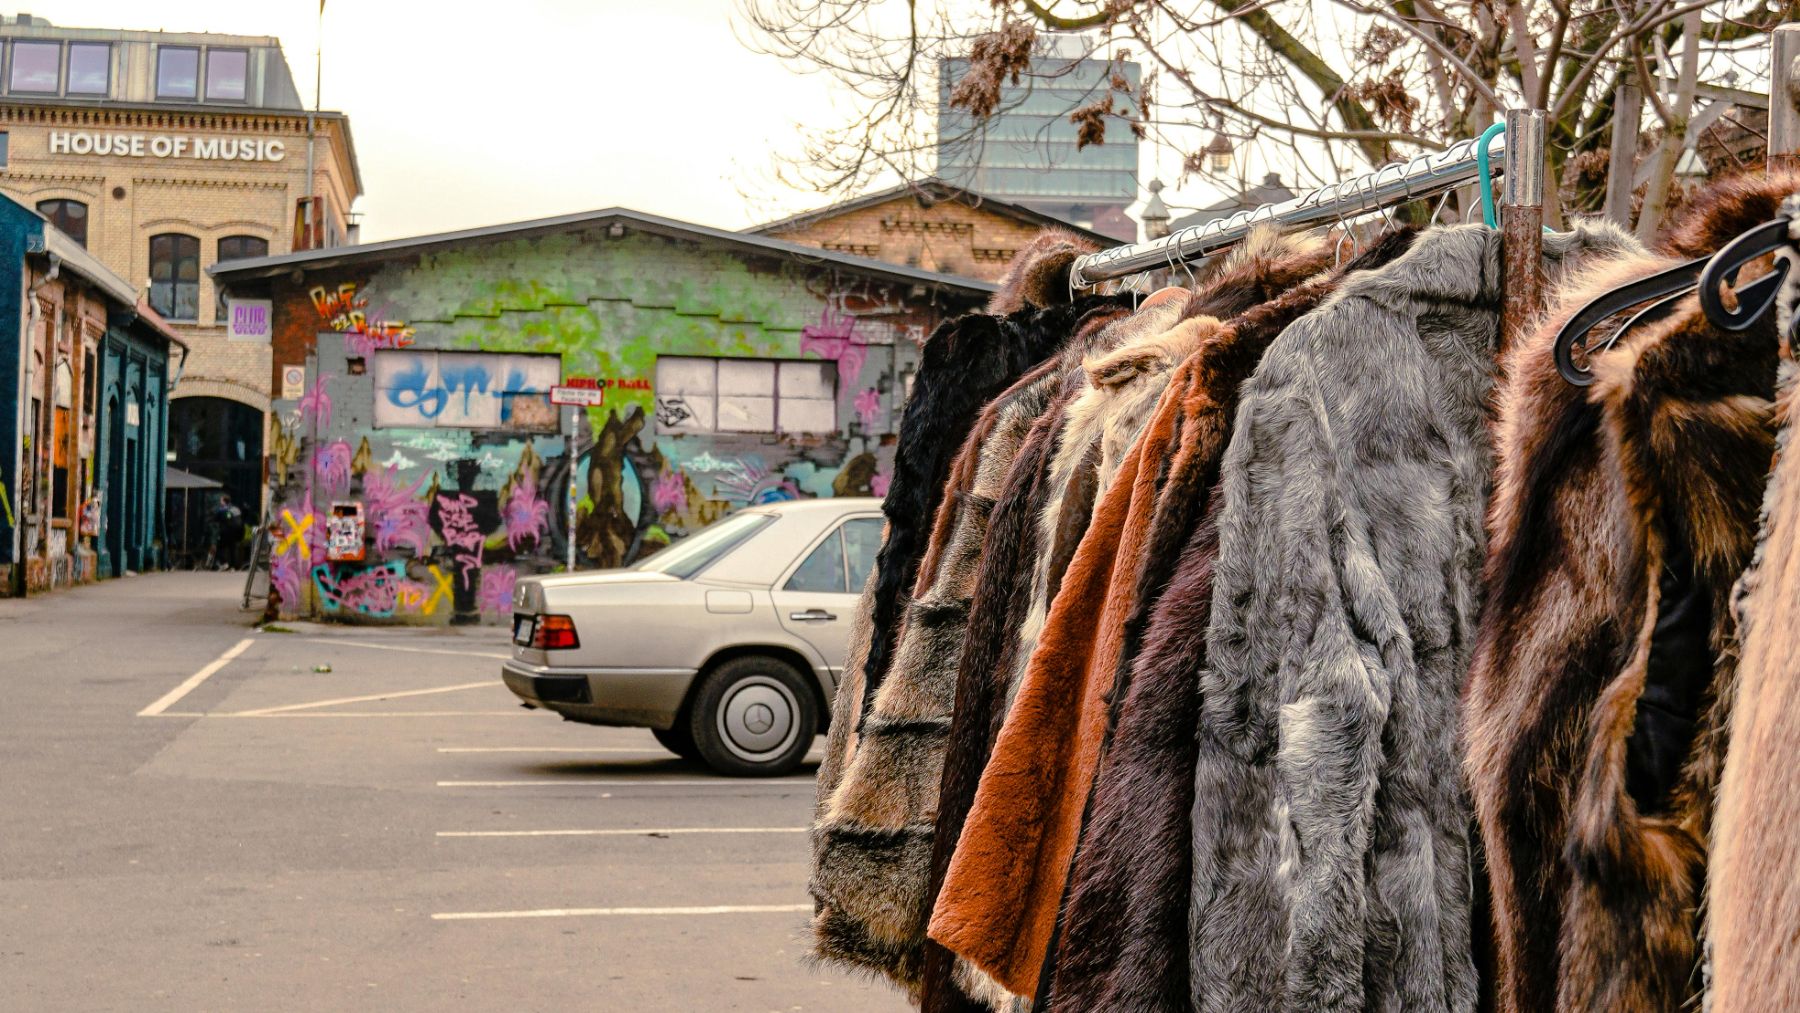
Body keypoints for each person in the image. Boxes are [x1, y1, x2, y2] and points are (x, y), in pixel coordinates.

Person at [210, 493, 243, 570]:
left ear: (223, 501)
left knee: (219, 548)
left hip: (224, 532)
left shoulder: (222, 510)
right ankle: (233, 566)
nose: (220, 502)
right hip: (235, 533)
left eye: (221, 500)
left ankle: (224, 563)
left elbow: (215, 519)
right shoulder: (235, 509)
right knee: (232, 549)